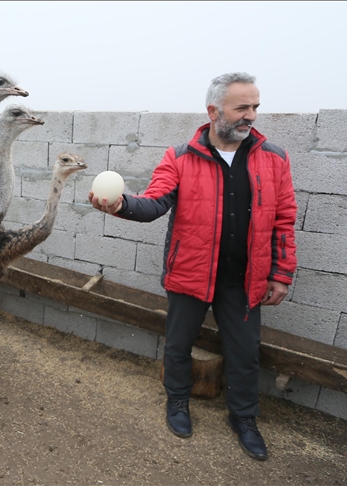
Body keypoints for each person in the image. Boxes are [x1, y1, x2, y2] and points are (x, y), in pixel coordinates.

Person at [89, 72, 297, 461]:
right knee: (180, 345)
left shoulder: (275, 158)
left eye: (255, 107)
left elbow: (284, 219)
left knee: (245, 353)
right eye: (242, 107)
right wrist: (120, 205)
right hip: (190, 273)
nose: (251, 115)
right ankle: (178, 402)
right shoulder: (181, 156)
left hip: (245, 280)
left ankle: (244, 419)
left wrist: (281, 274)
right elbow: (154, 203)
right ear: (214, 110)